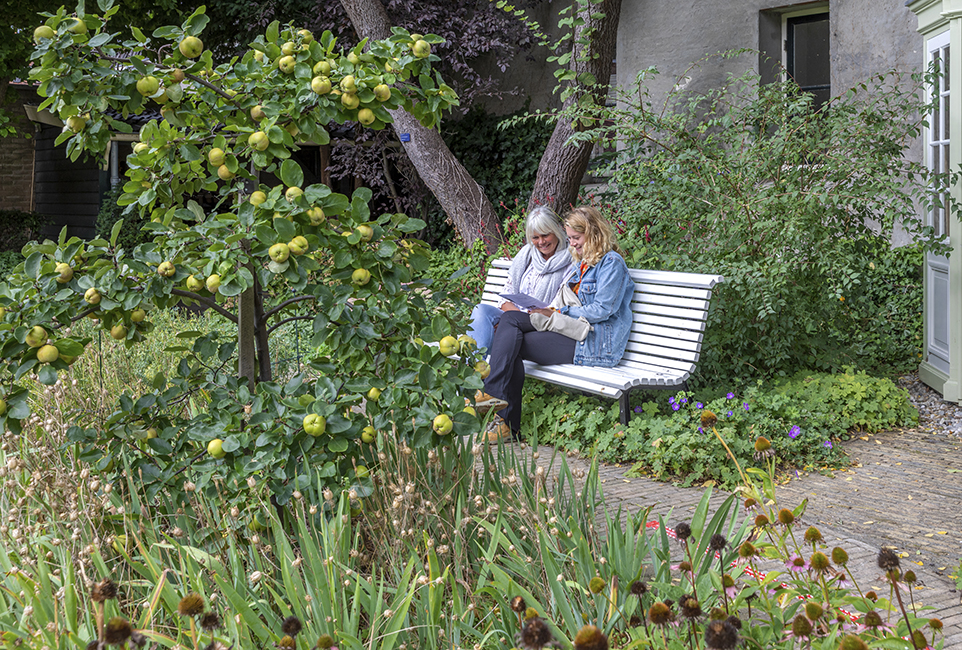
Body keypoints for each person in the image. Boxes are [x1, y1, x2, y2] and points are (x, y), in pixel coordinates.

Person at [474, 206, 634, 442]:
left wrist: (559, 312)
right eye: (569, 238)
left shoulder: (611, 263)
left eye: (576, 238)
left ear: (594, 232)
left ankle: (502, 413)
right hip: (571, 331)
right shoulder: (583, 262)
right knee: (509, 320)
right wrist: (551, 312)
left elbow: (603, 309)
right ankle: (499, 408)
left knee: (510, 341)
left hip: (594, 342)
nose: (573, 244)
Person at [466, 206, 573, 352]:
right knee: (480, 310)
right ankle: (474, 368)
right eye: (535, 237)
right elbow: (505, 298)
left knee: (500, 332)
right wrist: (515, 318)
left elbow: (559, 304)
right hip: (514, 315)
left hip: (542, 322)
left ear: (556, 231)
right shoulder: (526, 255)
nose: (541, 242)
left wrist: (516, 321)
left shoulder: (570, 260)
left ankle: (476, 369)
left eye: (545, 235)